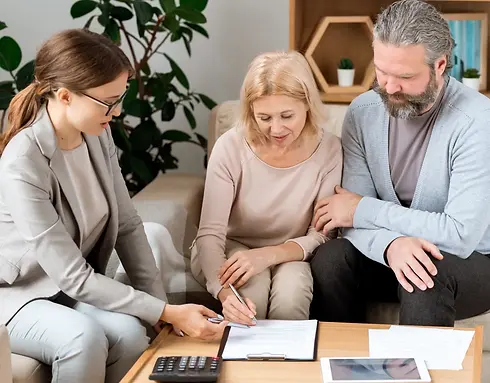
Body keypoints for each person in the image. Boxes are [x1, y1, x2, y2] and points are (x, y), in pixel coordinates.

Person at [0, 29, 226, 383]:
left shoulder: (96, 132)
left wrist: (161, 314)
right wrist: (167, 311)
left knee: (132, 334)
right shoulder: (23, 162)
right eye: (108, 102)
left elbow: (127, 225)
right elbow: (73, 275)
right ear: (64, 96)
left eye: (120, 98)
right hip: (17, 295)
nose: (117, 112)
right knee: (82, 338)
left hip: (66, 290)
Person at [309, 0, 490, 327]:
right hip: (390, 255)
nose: (389, 87)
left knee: (426, 276)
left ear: (439, 65)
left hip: (469, 262)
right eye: (382, 71)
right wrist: (390, 244)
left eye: (405, 76)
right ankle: (338, 369)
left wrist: (364, 210)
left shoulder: (476, 121)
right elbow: (348, 218)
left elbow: (460, 234)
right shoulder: (363, 112)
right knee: (330, 259)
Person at [190, 51, 342, 325]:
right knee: (252, 296)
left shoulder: (330, 149)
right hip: (229, 247)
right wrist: (225, 294)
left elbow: (321, 235)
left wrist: (269, 255)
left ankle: (290, 367)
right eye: (264, 117)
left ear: (307, 104)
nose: (276, 129)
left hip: (292, 251)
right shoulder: (231, 146)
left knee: (292, 296)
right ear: (251, 112)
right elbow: (210, 234)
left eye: (287, 115)